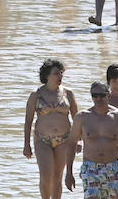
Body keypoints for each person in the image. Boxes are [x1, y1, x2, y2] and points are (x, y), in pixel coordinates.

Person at [64, 81, 118, 199]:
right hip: (90, 168)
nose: (98, 98)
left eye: (101, 95)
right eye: (94, 95)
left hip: (113, 167)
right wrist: (69, 173)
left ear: (108, 95)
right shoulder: (82, 117)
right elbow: (71, 144)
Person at [23, 58, 77, 199]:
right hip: (42, 139)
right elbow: (28, 121)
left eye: (61, 73)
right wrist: (26, 145)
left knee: (58, 177)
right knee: (46, 176)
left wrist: (78, 141)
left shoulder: (68, 93)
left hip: (64, 139)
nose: (60, 76)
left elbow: (77, 120)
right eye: (56, 73)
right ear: (47, 75)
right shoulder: (36, 95)